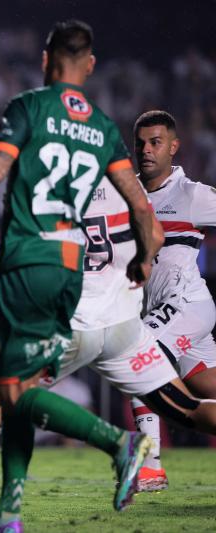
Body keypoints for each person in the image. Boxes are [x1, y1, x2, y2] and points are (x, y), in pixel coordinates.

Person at [0, 20, 160, 532]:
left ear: (45, 58)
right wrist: (144, 257)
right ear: (91, 65)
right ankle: (8, 514)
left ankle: (118, 442)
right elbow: (142, 208)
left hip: (26, 262)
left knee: (11, 391)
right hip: (70, 268)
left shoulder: (28, 107)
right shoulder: (102, 127)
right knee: (16, 385)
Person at [0, 169, 216, 524]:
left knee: (0, 396)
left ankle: (117, 443)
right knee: (186, 408)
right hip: (124, 325)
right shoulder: (125, 187)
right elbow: (154, 235)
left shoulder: (47, 193)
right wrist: (139, 266)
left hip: (76, 322)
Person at [131, 110, 216, 491]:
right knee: (207, 387)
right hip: (162, 314)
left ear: (173, 147)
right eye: (141, 143)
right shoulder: (126, 192)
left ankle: (150, 468)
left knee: (137, 357)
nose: (146, 150)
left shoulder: (192, 194)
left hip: (188, 303)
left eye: (156, 142)